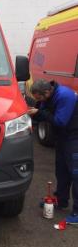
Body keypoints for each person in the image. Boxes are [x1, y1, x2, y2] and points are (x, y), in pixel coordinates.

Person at [28, 79, 78, 224]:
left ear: (47, 92)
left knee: (75, 174)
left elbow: (60, 121)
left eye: (40, 98)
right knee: (61, 170)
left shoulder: (65, 96)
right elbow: (44, 111)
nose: (39, 101)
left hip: (75, 137)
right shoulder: (48, 95)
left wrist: (39, 113)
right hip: (63, 137)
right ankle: (61, 200)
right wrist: (34, 114)